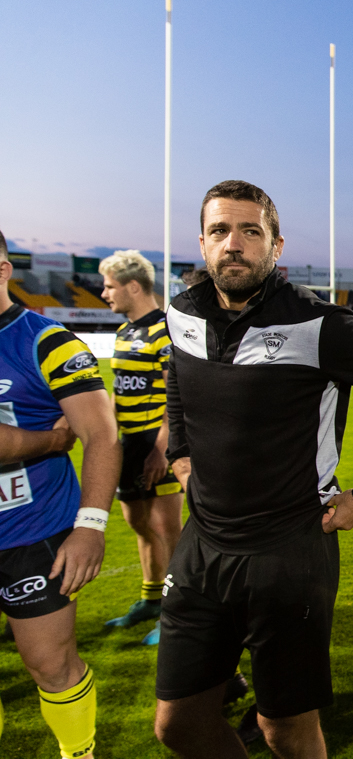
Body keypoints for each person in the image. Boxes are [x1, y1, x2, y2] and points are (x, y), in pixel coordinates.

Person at [153, 180, 353, 759]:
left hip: (290, 551)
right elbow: (177, 373)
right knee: (176, 725)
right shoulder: (181, 311)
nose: (235, 244)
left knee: (284, 731)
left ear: (276, 245)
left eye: (252, 231)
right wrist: (178, 451)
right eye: (221, 231)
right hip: (201, 546)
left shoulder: (317, 324)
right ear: (202, 243)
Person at [0, 229, 122, 759]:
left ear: (2, 269)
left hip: (32, 533)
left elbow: (102, 434)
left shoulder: (44, 339)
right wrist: (46, 438)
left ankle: (79, 753)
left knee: (50, 664)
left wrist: (90, 525)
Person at [98, 250, 182, 647]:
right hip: (128, 442)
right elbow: (118, 392)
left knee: (167, 528)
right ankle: (150, 599)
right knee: (137, 523)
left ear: (134, 286)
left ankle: (176, 611)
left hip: (155, 442)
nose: (104, 294)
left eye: (110, 286)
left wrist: (161, 448)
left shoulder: (166, 331)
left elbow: (175, 396)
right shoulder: (124, 332)